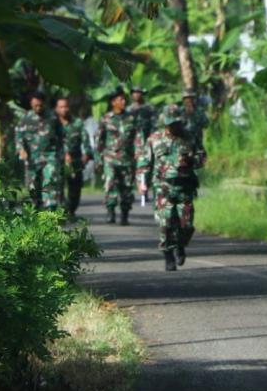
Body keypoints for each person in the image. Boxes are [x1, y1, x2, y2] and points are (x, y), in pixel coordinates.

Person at [137, 107, 200, 271]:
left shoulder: (189, 138)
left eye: (176, 123)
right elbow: (144, 163)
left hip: (184, 187)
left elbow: (202, 156)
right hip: (162, 188)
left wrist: (192, 160)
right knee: (166, 224)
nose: (174, 127)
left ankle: (180, 245)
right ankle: (167, 254)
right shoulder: (154, 139)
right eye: (170, 123)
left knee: (186, 224)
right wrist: (142, 183)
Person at [15, 91, 64, 211]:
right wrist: (21, 149)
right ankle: (34, 212)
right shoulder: (25, 118)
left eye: (40, 105)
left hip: (50, 156)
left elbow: (62, 136)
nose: (38, 108)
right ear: (31, 103)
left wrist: (62, 153)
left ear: (44, 104)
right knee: (32, 187)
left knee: (50, 181)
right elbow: (18, 136)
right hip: (32, 157)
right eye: (35, 105)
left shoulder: (52, 117)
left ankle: (50, 210)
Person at [97, 87, 138, 225]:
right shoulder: (106, 119)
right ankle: (110, 211)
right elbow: (99, 140)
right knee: (110, 183)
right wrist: (98, 159)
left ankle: (125, 213)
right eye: (120, 99)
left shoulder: (131, 118)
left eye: (124, 99)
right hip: (110, 158)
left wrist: (139, 153)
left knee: (126, 187)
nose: (123, 101)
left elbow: (138, 138)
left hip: (127, 159)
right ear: (113, 102)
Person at [56, 97, 93, 218]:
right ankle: (59, 212)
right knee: (56, 189)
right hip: (56, 161)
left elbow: (86, 140)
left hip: (75, 161)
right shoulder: (52, 123)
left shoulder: (77, 123)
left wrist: (87, 155)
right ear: (56, 109)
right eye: (61, 107)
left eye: (66, 106)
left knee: (75, 191)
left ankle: (70, 210)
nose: (64, 109)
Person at [180, 90, 209, 168]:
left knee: (200, 158)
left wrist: (196, 117)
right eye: (186, 98)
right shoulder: (180, 111)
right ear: (183, 100)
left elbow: (206, 124)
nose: (189, 100)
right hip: (184, 141)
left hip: (197, 139)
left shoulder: (199, 111)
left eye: (190, 98)